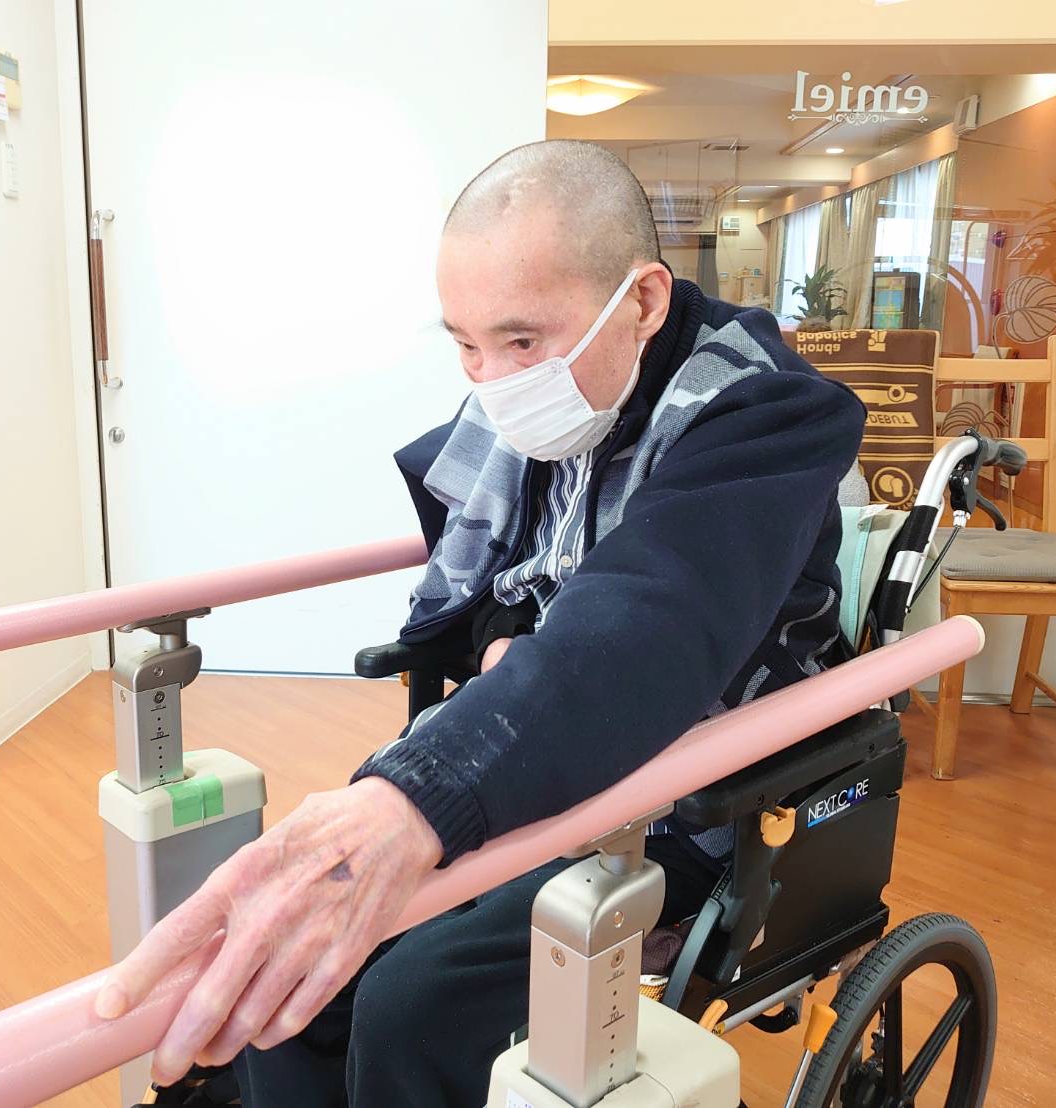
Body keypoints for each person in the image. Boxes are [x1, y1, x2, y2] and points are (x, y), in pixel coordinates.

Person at [94, 139, 867, 1105]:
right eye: (463, 343)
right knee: (296, 968)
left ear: (642, 301)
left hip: (702, 798)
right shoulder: (546, 406)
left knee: (408, 1003)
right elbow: (485, 591)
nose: (491, 380)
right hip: (546, 751)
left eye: (520, 342)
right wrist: (499, 642)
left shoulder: (767, 412)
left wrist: (415, 797)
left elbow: (648, 621)